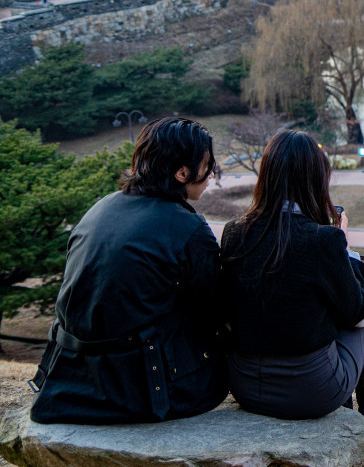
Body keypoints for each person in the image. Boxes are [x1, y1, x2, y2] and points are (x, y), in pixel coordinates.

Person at [30, 117, 228, 424]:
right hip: (141, 388)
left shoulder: (101, 207)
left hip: (72, 378)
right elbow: (214, 307)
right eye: (208, 164)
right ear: (182, 172)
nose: (212, 171)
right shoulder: (187, 227)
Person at [221, 131, 364, 427]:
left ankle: (359, 410)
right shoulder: (324, 240)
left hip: (245, 384)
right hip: (312, 392)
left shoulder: (234, 232)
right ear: (315, 179)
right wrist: (344, 247)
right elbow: (356, 311)